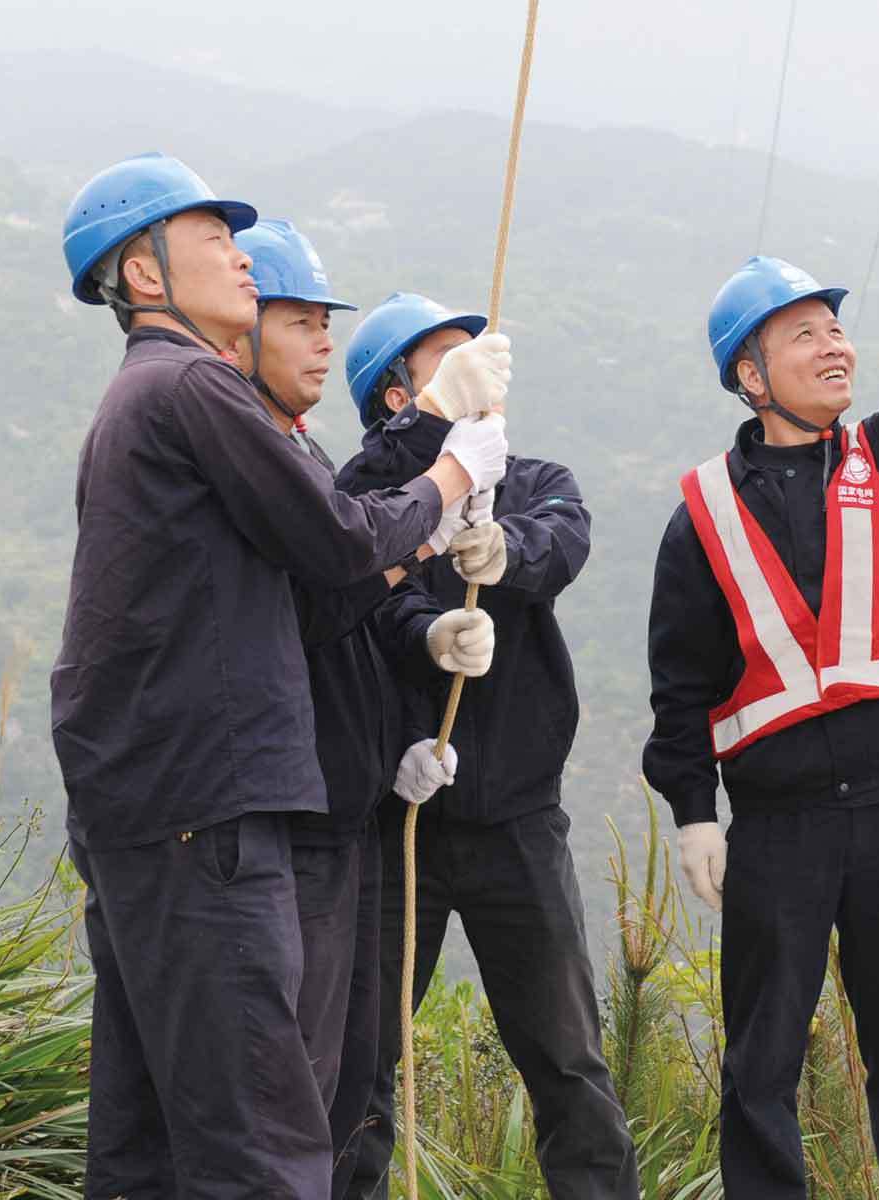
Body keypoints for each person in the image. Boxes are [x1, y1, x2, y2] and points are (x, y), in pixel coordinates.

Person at [53, 153, 509, 1198]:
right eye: (213, 238)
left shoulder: (152, 398)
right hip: (208, 807)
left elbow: (319, 586)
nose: (239, 259)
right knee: (261, 1144)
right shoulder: (192, 384)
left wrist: (425, 542)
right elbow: (340, 542)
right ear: (146, 274)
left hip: (149, 806)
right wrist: (453, 472)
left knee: (151, 1145)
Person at [642, 107, 879, 1199]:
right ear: (749, 376)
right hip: (783, 826)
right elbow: (682, 684)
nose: (834, 344)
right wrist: (691, 813)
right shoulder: (703, 518)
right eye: (803, 332)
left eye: (834, 327)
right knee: (759, 1061)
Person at [336, 292, 639, 1199]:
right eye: (448, 365)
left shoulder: (537, 481)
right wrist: (428, 633)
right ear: (399, 397)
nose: (483, 380)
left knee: (567, 1063)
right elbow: (361, 596)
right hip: (400, 823)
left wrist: (501, 549)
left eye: (484, 365)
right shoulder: (374, 508)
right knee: (362, 1064)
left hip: (515, 821)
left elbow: (562, 539)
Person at [230, 218, 500, 1196]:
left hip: (350, 812)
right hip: (296, 826)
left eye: (323, 321)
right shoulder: (272, 456)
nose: (319, 337)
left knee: (351, 1072)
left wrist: (400, 744)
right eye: (299, 319)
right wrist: (440, 453)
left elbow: (349, 627)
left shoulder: (295, 451)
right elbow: (329, 590)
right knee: (302, 1079)